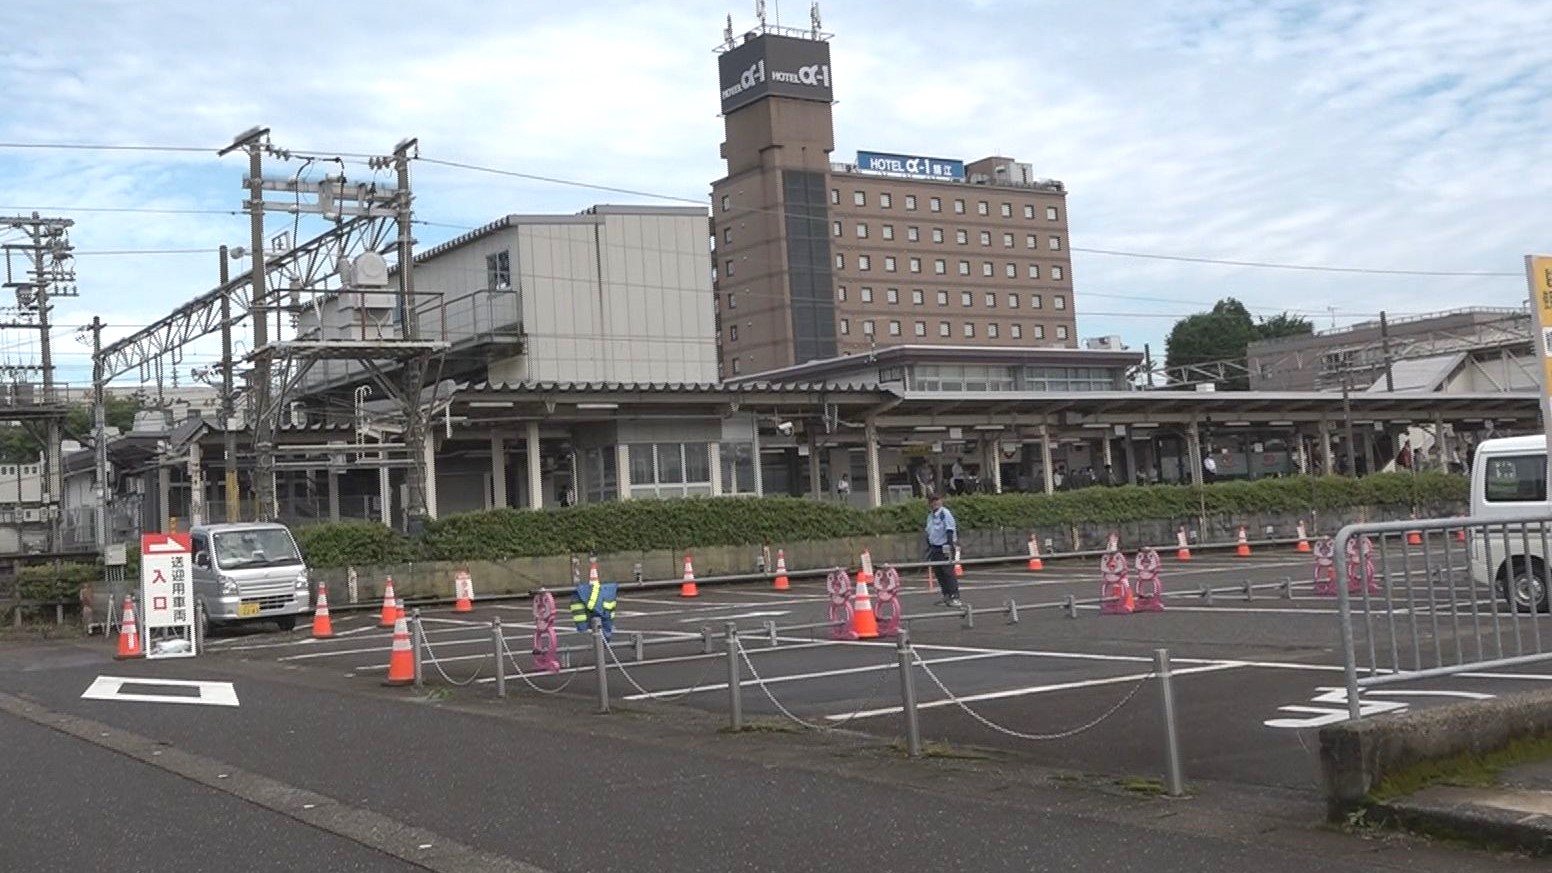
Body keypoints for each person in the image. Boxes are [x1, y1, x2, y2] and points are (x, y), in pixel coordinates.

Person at [923, 492, 961, 608]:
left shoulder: (945, 513)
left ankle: (955, 597)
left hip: (945, 545)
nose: (935, 503)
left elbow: (950, 529)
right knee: (939, 572)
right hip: (935, 547)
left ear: (941, 500)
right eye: (932, 500)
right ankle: (946, 595)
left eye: (936, 500)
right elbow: (929, 532)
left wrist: (949, 546)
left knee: (948, 572)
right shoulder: (930, 516)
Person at [569, 574, 618, 641]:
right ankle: (605, 639)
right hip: (605, 604)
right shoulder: (610, 591)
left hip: (586, 596)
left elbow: (580, 620)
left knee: (583, 627)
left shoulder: (579, 594)